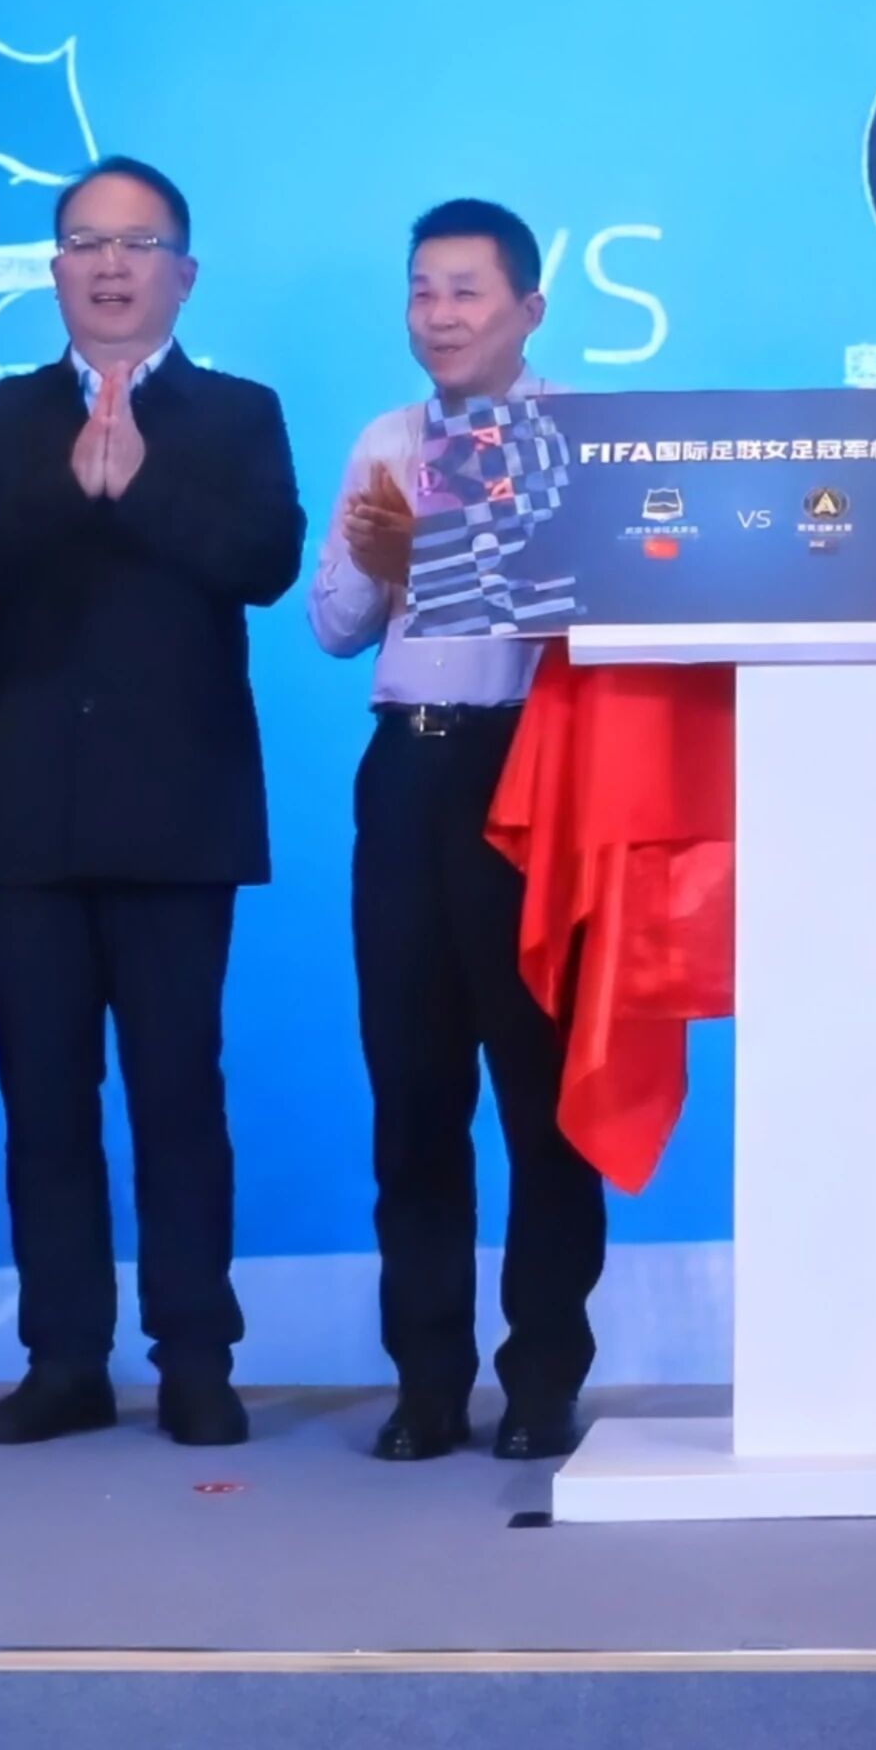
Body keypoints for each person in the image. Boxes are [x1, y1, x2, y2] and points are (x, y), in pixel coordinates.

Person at [0, 158, 306, 1451]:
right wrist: (67, 483)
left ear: (182, 272)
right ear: (53, 271)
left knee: (177, 1095)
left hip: (178, 812)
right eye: (85, 241)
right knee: (44, 1102)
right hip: (19, 814)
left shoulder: (237, 414)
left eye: (136, 243)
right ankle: (64, 1358)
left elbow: (265, 559)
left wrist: (141, 478)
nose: (109, 264)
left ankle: (195, 1356)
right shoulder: (2, 413)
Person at [310, 198, 602, 1463]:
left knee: (544, 1093)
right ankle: (427, 1379)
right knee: (413, 1090)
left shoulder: (583, 438)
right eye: (422, 289)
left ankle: (543, 1376)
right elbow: (333, 627)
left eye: (466, 290)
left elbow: (599, 612)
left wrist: (438, 548)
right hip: (407, 770)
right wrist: (385, 564)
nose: (439, 313)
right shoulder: (386, 437)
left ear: (529, 307)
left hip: (534, 772)